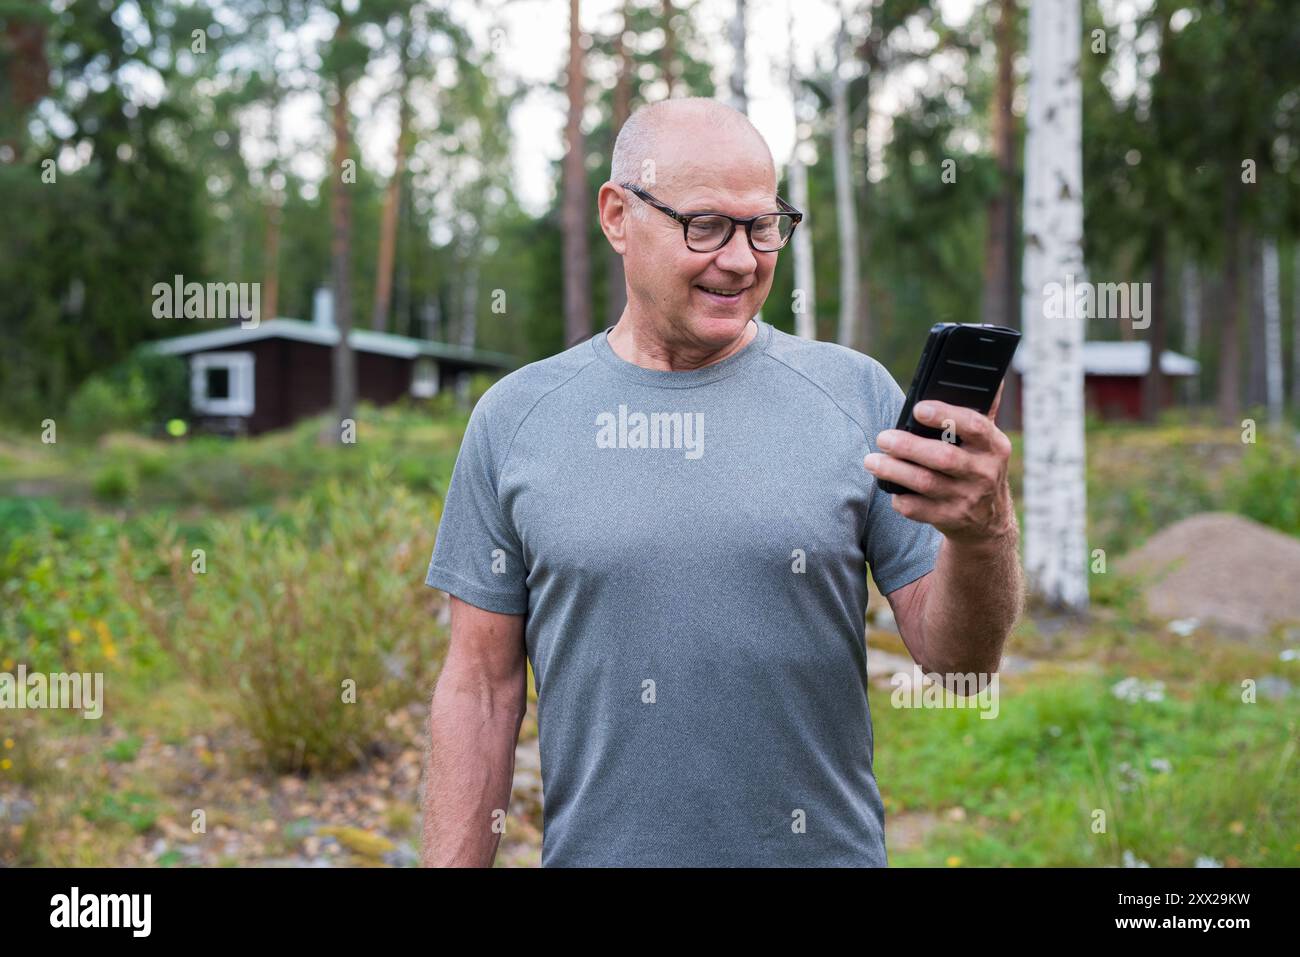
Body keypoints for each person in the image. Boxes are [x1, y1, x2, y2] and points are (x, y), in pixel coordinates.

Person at [421, 97, 1023, 867]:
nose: (741, 259)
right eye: (705, 224)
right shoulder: (516, 419)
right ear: (617, 215)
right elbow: (478, 689)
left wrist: (984, 535)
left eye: (763, 224)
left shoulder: (857, 397)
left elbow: (962, 671)